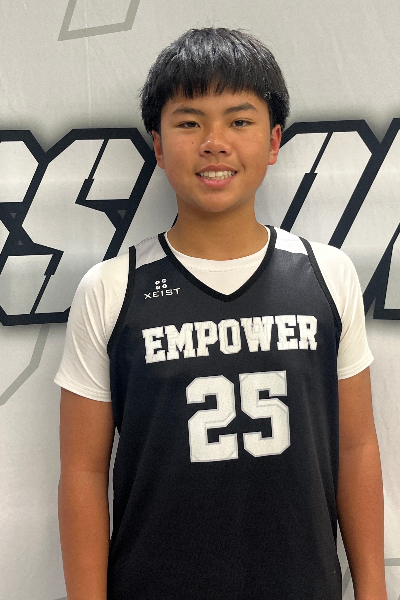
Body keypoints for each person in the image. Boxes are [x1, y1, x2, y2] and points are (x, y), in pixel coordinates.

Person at [56, 27, 387, 600]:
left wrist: (373, 590)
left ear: (274, 140)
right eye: (189, 123)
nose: (214, 143)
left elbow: (356, 448)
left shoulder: (327, 275)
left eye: (239, 121)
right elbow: (83, 474)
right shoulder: (111, 289)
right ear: (158, 146)